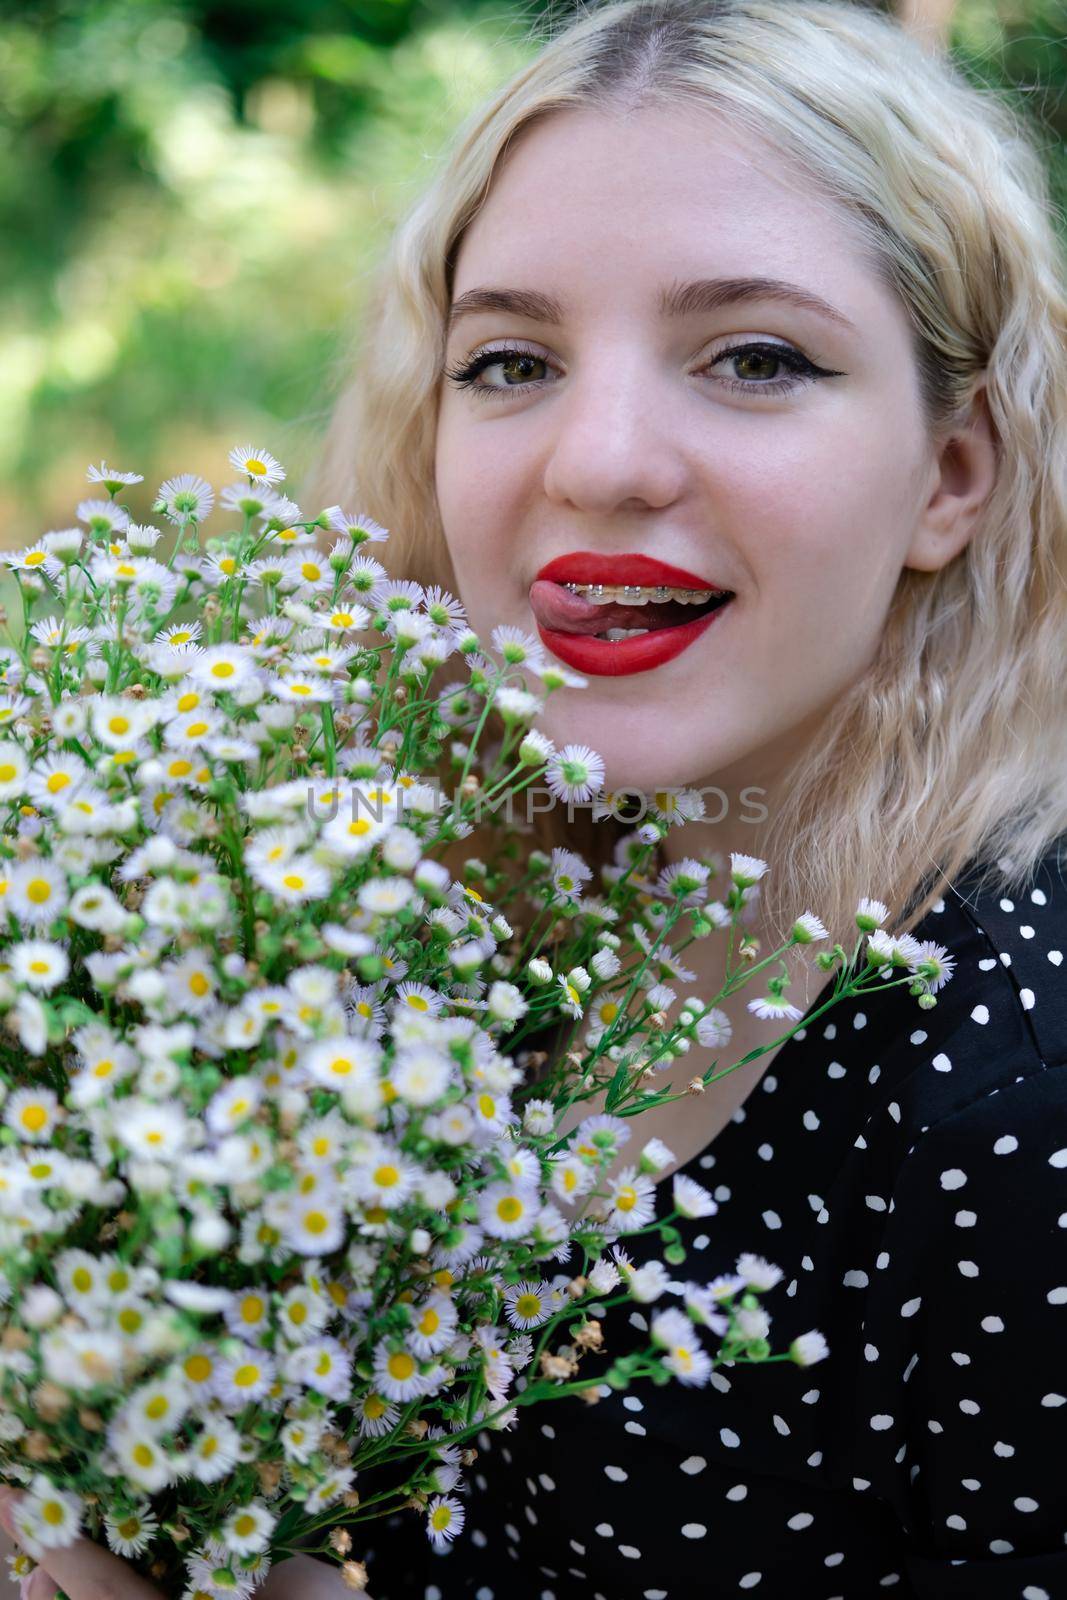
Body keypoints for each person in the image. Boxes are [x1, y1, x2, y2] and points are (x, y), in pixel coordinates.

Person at [5, 0, 1066, 1594]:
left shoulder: (1015, 1095)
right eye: (510, 361)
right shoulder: (413, 932)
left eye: (756, 358)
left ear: (952, 471)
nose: (603, 461)